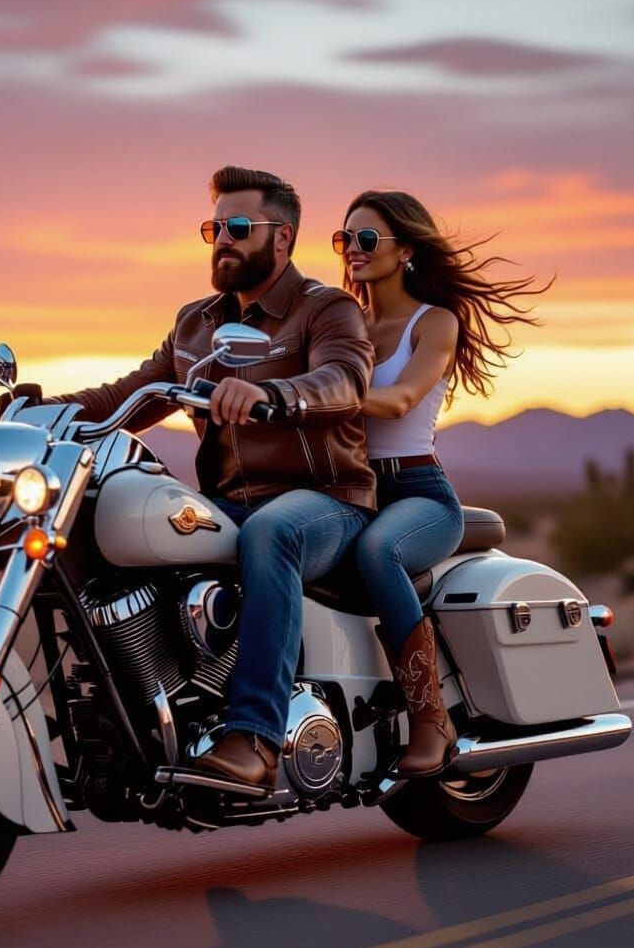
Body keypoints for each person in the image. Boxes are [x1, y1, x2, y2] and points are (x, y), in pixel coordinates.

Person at [54, 166, 376, 789]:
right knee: (93, 524)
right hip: (229, 502)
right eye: (214, 228)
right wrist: (40, 411)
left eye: (236, 227)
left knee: (272, 533)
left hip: (328, 502)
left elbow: (345, 380)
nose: (221, 241)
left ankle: (254, 736)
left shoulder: (326, 309)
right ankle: (134, 719)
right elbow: (133, 392)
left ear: (281, 238)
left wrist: (276, 395)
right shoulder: (196, 323)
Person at [333, 190, 544, 776]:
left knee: (379, 552)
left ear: (406, 249)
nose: (352, 249)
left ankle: (431, 719)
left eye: (367, 238)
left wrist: (309, 397)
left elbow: (400, 400)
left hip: (417, 493)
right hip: (350, 489)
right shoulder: (342, 323)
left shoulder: (435, 322)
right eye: (344, 238)